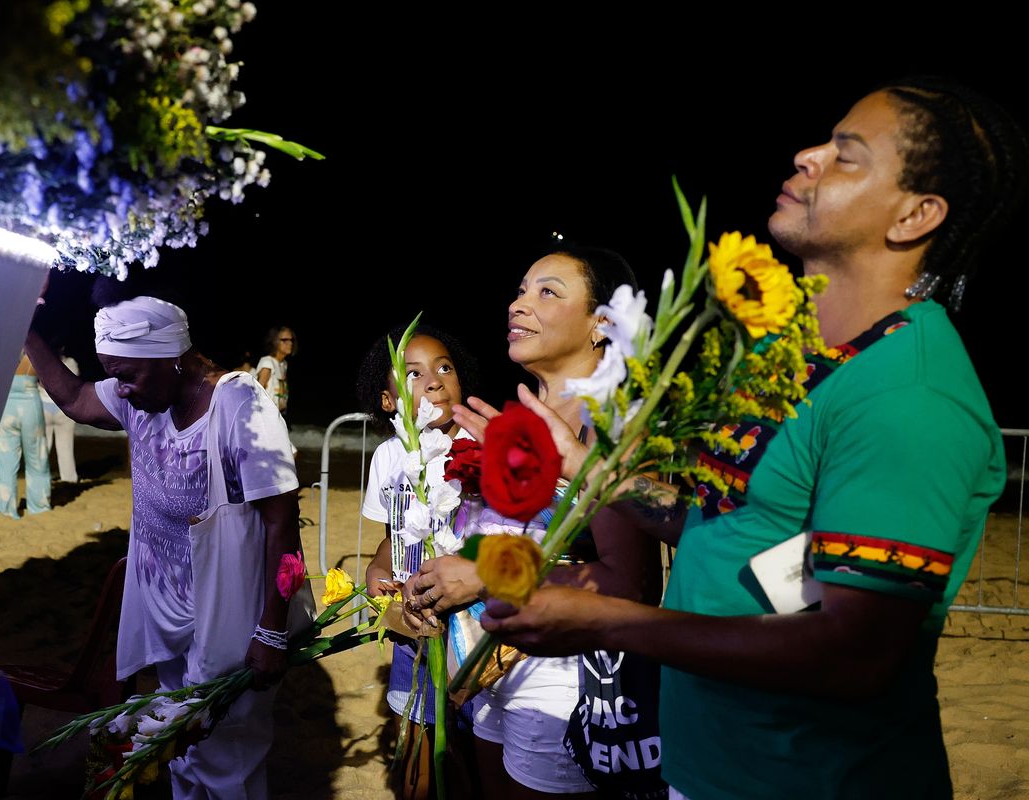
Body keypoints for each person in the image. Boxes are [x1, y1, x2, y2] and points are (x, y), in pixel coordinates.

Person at [473, 79, 1028, 800]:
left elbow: (853, 654)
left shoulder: (908, 395)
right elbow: (728, 528)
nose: (807, 156)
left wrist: (609, 620)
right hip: (708, 767)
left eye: (846, 157)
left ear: (914, 215)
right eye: (822, 142)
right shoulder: (787, 358)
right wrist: (584, 470)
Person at [403, 246, 664, 798]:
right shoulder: (516, 417)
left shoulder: (611, 421)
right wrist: (437, 584)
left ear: (602, 325)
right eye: (522, 289)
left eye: (548, 292)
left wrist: (486, 576)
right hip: (488, 666)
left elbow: (632, 583)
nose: (519, 304)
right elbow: (507, 539)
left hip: (562, 678)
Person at [25, 295, 310, 799]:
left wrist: (270, 631)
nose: (123, 390)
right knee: (176, 746)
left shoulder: (240, 406)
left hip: (232, 616)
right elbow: (73, 397)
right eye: (116, 376)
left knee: (227, 758)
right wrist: (23, 322)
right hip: (168, 609)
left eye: (130, 375)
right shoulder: (142, 394)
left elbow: (283, 522)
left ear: (173, 356)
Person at [354, 320, 483, 800]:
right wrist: (376, 570)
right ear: (388, 401)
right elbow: (394, 534)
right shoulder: (388, 456)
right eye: (412, 374)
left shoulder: (478, 447)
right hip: (413, 623)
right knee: (417, 736)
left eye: (444, 367)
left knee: (471, 741)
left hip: (473, 625)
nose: (433, 380)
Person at [0, 352, 51, 518]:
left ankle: (6, 508)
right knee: (37, 460)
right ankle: (39, 506)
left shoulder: (3, 352)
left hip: (5, 408)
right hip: (30, 405)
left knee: (5, 464)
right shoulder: (35, 354)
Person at [41, 348, 82, 483]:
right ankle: (69, 479)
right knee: (66, 447)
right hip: (63, 408)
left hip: (43, 405)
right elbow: (75, 384)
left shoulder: (41, 360)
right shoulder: (71, 362)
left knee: (43, 447)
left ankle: (40, 478)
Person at [256, 326, 296, 414]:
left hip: (278, 415)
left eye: (291, 340)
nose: (290, 343)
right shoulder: (267, 363)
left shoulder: (283, 364)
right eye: (285, 340)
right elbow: (257, 392)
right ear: (275, 342)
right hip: (266, 416)